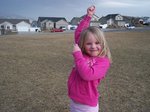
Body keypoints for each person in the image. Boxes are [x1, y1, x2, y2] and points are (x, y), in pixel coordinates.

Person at [67, 5, 112, 112]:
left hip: (87, 107)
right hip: (74, 102)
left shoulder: (103, 61)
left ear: (103, 43)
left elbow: (87, 75)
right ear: (83, 44)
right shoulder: (84, 54)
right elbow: (79, 33)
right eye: (88, 43)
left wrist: (78, 56)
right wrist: (88, 16)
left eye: (97, 43)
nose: (93, 46)